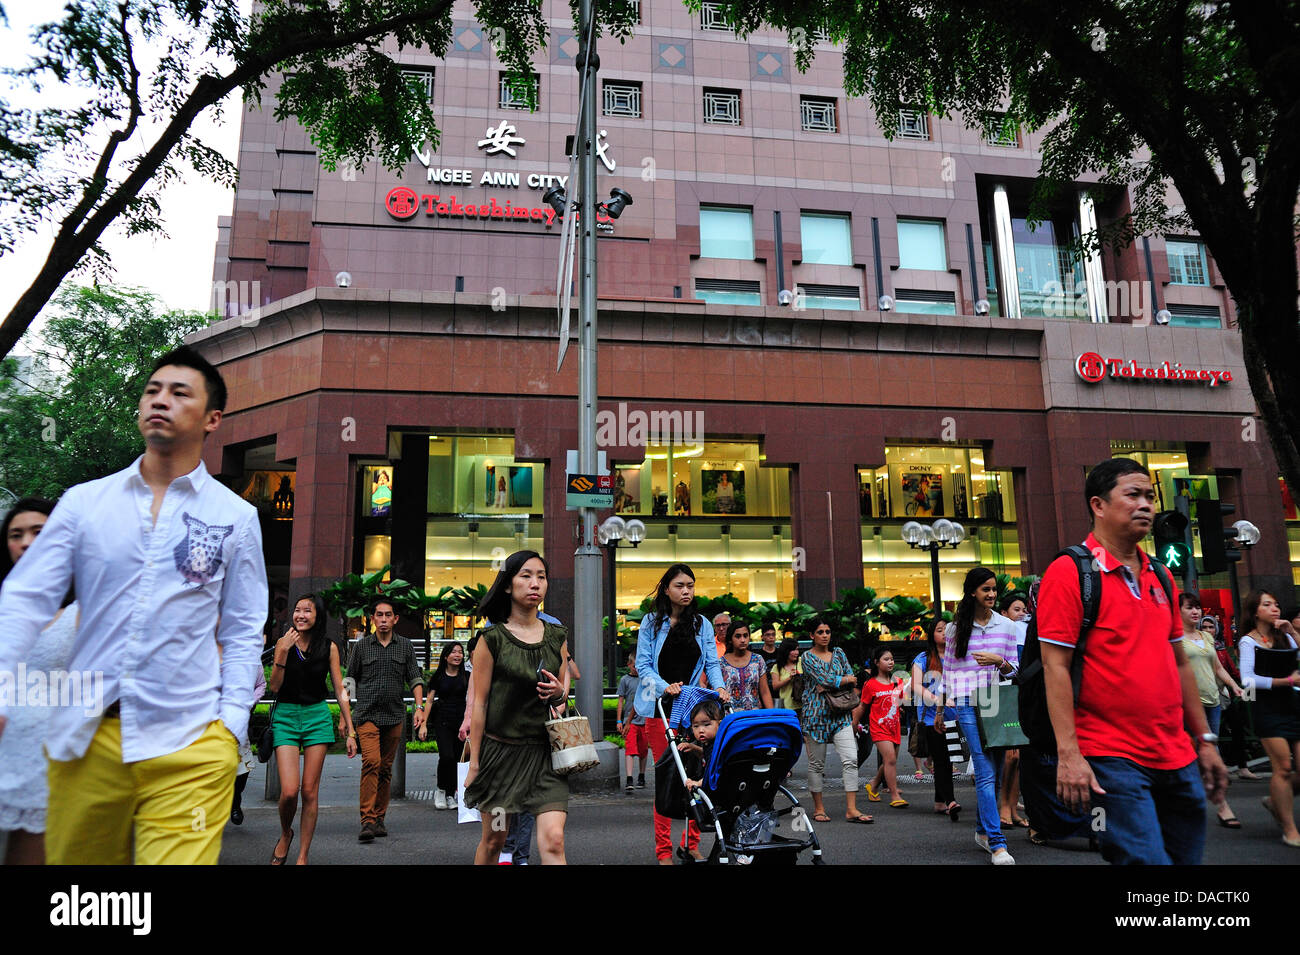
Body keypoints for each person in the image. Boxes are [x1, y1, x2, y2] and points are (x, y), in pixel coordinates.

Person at [0, 347, 267, 865]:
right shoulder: (85, 502)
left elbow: (241, 628)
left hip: (190, 741)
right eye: (152, 390)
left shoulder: (235, 517)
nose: (160, 400)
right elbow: (25, 599)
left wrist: (232, 721)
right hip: (88, 738)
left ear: (212, 419)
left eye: (178, 392)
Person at [1037, 457, 1228, 865]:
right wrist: (1069, 755)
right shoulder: (1070, 572)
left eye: (1149, 496)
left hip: (1176, 754)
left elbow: (1180, 665)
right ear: (1098, 505)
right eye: (1133, 495)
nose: (1146, 505)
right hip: (1109, 757)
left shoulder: (1160, 574)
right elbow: (1054, 667)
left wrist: (1205, 741)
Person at [463, 551, 571, 865]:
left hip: (544, 756)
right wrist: (475, 764)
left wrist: (558, 692)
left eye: (541, 576)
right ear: (508, 585)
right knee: (495, 840)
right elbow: (480, 704)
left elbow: (561, 695)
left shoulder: (557, 637)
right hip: (500, 759)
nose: (534, 583)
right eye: (525, 575)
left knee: (554, 839)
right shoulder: (491, 639)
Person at [0, 499, 78, 866]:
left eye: (38, 532)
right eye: (16, 534)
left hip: (49, 763)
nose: (27, 542)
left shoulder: (84, 609)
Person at [634, 563, 729, 864]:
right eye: (680, 585)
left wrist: (720, 688)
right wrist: (665, 687)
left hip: (692, 709)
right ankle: (663, 851)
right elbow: (644, 666)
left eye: (690, 585)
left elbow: (712, 664)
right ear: (666, 589)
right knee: (666, 780)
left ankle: (691, 843)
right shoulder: (651, 622)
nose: (686, 590)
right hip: (658, 708)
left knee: (695, 776)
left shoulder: (702, 623)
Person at [268, 593, 356, 864]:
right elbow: (274, 687)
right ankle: (286, 832)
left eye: (307, 611)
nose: (300, 615)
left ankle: (303, 855)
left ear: (317, 616)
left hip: (317, 716)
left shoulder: (328, 647)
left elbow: (341, 689)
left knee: (309, 791)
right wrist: (282, 651)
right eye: (297, 610)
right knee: (289, 791)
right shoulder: (282, 643)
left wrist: (350, 728)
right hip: (286, 716)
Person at [941, 567, 1019, 865]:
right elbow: (948, 671)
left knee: (997, 773)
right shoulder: (954, 628)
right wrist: (942, 710)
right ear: (972, 591)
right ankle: (998, 844)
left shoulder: (1006, 626)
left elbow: (1014, 668)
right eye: (985, 589)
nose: (991, 594)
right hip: (966, 702)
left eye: (994, 589)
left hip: (996, 702)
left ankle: (982, 832)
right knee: (985, 772)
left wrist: (1000, 661)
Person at [348, 596, 424, 842]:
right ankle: (367, 820)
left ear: (395, 619)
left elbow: (414, 677)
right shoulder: (361, 647)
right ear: (372, 619)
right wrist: (344, 716)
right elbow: (349, 680)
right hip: (366, 714)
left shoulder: (405, 646)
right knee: (371, 761)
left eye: (387, 615)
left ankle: (379, 818)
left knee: (386, 768)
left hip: (394, 715)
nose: (383, 619)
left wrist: (420, 707)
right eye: (379, 615)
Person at [1237, 590, 1300, 847]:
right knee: (1283, 767)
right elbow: (1248, 679)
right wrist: (1286, 681)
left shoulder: (1286, 636)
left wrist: (1292, 632)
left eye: (1276, 604)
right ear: (1255, 612)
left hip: (1294, 705)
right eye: (1267, 605)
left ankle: (1276, 801)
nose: (1274, 608)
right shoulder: (1248, 641)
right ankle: (1289, 828)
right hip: (1269, 709)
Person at [1179, 593, 1244, 829]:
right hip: (1186, 705)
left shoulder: (1206, 636)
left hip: (1212, 702)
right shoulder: (1174, 638)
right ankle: (1221, 806)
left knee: (1209, 751)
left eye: (1197, 608)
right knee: (1194, 753)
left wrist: (1234, 686)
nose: (1195, 612)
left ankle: (1216, 803)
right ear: (1179, 612)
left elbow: (1217, 667)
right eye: (1189, 608)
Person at [801, 617, 872, 824]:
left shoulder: (839, 653)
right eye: (820, 632)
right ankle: (819, 809)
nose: (825, 635)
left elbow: (851, 678)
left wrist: (839, 682)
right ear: (812, 635)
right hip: (815, 717)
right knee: (816, 765)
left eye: (827, 631)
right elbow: (825, 679)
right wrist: (842, 681)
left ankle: (851, 809)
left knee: (851, 759)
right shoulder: (807, 657)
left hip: (841, 715)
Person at [911, 618, 959, 820]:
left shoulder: (956, 656)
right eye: (940, 630)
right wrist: (936, 699)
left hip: (953, 716)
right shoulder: (922, 658)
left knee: (948, 759)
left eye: (948, 630)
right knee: (941, 760)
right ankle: (951, 801)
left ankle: (940, 802)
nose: (945, 634)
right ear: (932, 634)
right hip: (931, 718)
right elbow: (915, 685)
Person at [1203, 614, 1259, 779]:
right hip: (1206, 695)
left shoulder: (1220, 648)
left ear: (1217, 629)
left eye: (1211, 627)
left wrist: (1242, 686)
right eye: (1204, 627)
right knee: (1213, 733)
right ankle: (1216, 769)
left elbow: (1231, 670)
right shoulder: (1198, 646)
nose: (1208, 630)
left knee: (1237, 727)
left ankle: (1242, 767)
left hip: (1224, 694)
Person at [417, 640, 470, 810]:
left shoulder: (467, 677)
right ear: (446, 656)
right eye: (454, 652)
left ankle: (450, 794)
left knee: (457, 759)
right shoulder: (438, 676)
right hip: (442, 721)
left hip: (461, 722)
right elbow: (430, 700)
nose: (457, 655)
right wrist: (423, 724)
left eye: (460, 652)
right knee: (446, 756)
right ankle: (440, 790)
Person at [859, 646, 909, 808]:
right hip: (878, 727)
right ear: (876, 663)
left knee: (888, 761)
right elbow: (862, 707)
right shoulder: (870, 684)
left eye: (892, 659)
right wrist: (854, 724)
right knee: (891, 759)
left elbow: (900, 702)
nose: (890, 662)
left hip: (894, 726)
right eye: (886, 659)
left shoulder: (898, 682)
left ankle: (873, 785)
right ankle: (894, 796)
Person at [996, 593, 1030, 829]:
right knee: (1010, 756)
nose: (1022, 614)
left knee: (1019, 757)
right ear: (1004, 613)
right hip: (1002, 696)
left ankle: (1012, 807)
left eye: (1024, 610)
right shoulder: (1002, 632)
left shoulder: (1027, 632)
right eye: (1016, 609)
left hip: (1023, 695)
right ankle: (1002, 807)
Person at [719, 621, 773, 711]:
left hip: (754, 715)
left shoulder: (758, 660)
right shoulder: (721, 663)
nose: (743, 640)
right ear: (730, 639)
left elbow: (765, 692)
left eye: (745, 635)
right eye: (738, 636)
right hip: (731, 716)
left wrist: (772, 716)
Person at [616, 652, 648, 793]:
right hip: (630, 721)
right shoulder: (625, 680)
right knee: (630, 749)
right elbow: (620, 701)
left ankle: (641, 775)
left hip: (644, 720)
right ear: (629, 665)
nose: (637, 669)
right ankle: (629, 777)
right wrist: (619, 720)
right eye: (635, 666)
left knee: (643, 750)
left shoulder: (644, 680)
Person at [678, 697, 725, 791]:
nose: (701, 730)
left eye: (707, 725)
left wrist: (697, 783)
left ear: (719, 725)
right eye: (696, 726)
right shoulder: (710, 743)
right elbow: (705, 755)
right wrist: (693, 747)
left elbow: (716, 773)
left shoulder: (718, 746)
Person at [769, 638, 803, 714]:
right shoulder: (777, 667)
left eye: (797, 649)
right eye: (793, 650)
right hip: (786, 707)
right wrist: (789, 678)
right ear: (786, 651)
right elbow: (775, 686)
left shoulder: (801, 661)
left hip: (803, 705)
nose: (796, 653)